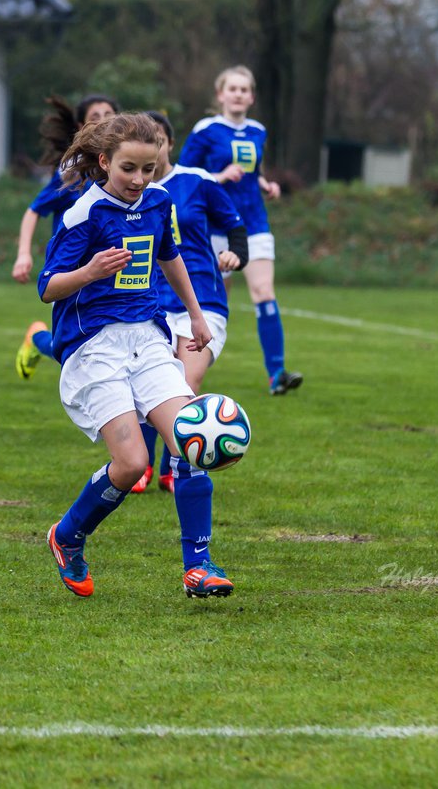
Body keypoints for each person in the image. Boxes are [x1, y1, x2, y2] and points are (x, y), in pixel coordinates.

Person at [40, 112, 235, 600]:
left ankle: (200, 566)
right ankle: (68, 536)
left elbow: (171, 256)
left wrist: (194, 316)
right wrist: (89, 272)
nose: (139, 179)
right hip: (94, 347)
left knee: (188, 441)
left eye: (148, 169)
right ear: (105, 161)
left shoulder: (158, 202)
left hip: (148, 338)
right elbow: (48, 288)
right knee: (129, 465)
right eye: (129, 168)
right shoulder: (83, 213)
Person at [131, 110, 247, 494]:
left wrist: (236, 255)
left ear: (167, 143)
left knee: (185, 380)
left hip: (205, 301)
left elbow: (234, 224)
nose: (155, 149)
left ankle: (173, 467)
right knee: (150, 381)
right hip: (152, 304)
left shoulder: (197, 181)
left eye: (159, 141)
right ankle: (144, 466)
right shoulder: (132, 192)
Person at [179, 65, 303, 396]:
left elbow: (251, 171)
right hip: (214, 226)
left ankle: (276, 373)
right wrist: (219, 176)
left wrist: (265, 184)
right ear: (220, 95)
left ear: (251, 96)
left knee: (264, 291)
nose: (238, 94)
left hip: (252, 223)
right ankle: (193, 364)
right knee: (218, 299)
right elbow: (183, 175)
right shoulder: (206, 129)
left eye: (244, 89)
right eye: (232, 89)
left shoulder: (258, 131)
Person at [12, 93, 118, 380]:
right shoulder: (73, 174)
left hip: (110, 267)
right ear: (82, 126)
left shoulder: (126, 172)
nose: (104, 120)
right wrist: (24, 253)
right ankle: (37, 338)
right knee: (67, 350)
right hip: (72, 266)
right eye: (96, 116)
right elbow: (34, 210)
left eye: (110, 113)